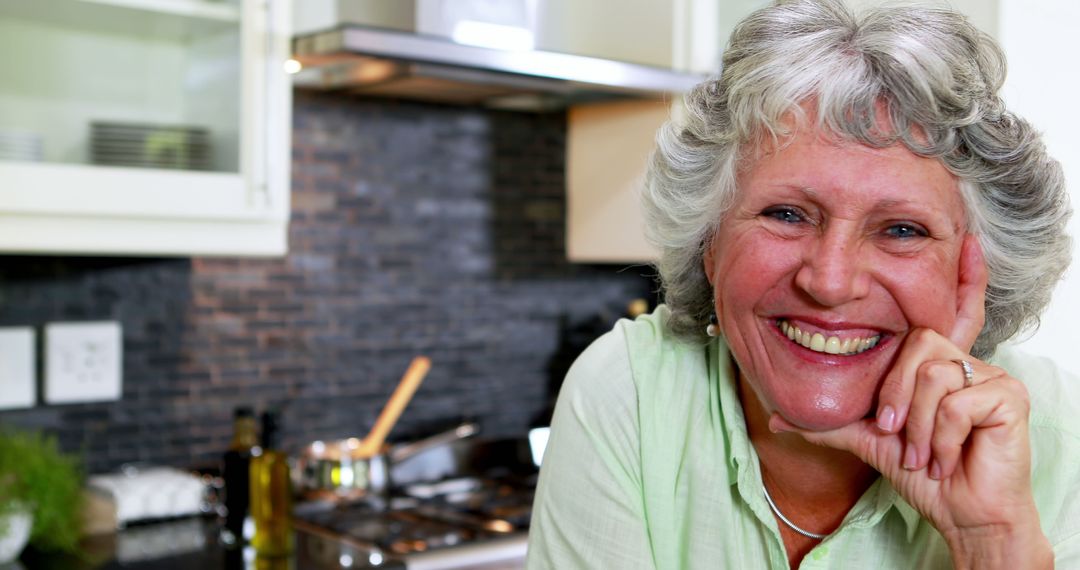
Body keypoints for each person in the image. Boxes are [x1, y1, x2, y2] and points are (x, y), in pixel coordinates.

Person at [526, 0, 1079, 568]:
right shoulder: (629, 394)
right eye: (787, 214)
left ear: (979, 272)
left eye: (902, 229)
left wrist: (993, 542)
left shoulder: (1061, 437)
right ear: (710, 242)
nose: (831, 282)